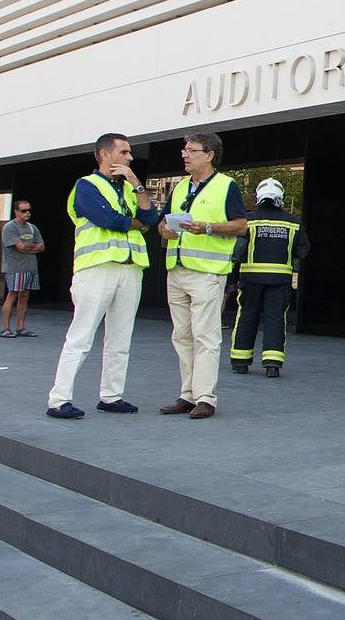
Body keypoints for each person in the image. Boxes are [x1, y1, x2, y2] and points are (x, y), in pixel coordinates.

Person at [45, 134, 159, 419]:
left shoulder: (130, 188)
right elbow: (110, 220)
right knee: (81, 336)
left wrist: (136, 184)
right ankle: (59, 400)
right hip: (97, 268)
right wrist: (136, 224)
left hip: (130, 268)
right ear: (104, 155)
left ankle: (111, 396)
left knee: (121, 338)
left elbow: (151, 218)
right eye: (124, 152)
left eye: (130, 153)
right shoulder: (86, 186)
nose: (129, 157)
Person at [156, 132, 247, 419]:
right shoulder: (180, 187)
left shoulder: (226, 186)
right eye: (184, 150)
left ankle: (206, 397)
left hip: (207, 272)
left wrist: (207, 227)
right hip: (177, 268)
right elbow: (163, 222)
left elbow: (241, 226)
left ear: (209, 155)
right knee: (181, 335)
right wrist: (164, 230)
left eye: (191, 150)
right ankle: (188, 394)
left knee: (205, 336)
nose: (184, 154)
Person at [229, 178, 308, 378]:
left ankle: (240, 361)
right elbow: (303, 250)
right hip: (280, 280)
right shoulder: (294, 223)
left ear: (258, 196)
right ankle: (272, 364)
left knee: (247, 316)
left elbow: (237, 250)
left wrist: (232, 275)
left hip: (250, 278)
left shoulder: (249, 220)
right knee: (275, 319)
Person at [0, 200, 45, 338]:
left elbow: (42, 247)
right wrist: (31, 247)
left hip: (30, 267)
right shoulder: (9, 228)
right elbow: (20, 247)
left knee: (24, 296)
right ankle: (6, 328)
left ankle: (20, 327)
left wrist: (27, 247)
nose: (27, 213)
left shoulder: (32, 228)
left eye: (29, 210)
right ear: (16, 212)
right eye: (24, 210)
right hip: (15, 267)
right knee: (12, 294)